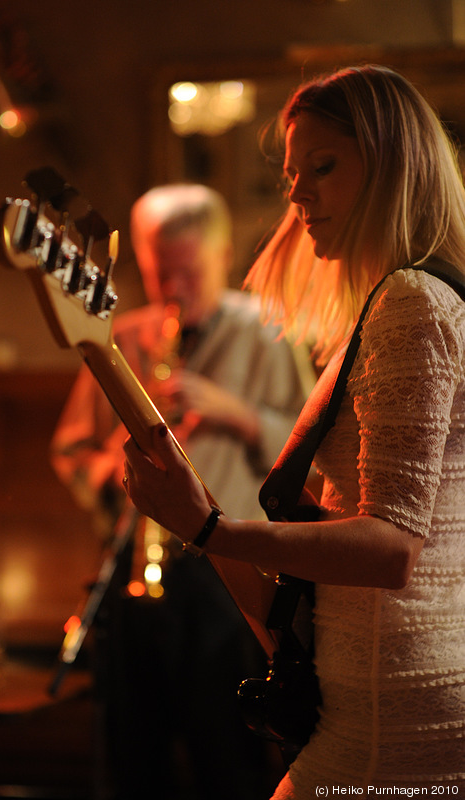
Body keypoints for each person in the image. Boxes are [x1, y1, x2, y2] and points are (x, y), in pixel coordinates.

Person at [122, 65, 465, 798]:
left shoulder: (411, 301)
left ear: (393, 162)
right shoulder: (390, 305)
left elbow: (391, 548)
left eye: (324, 166)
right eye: (291, 174)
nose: (298, 194)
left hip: (394, 706)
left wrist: (211, 529)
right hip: (373, 692)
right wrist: (201, 521)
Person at [51, 183, 310, 799]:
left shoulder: (272, 332)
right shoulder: (123, 338)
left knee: (227, 754)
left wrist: (239, 414)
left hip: (233, 574)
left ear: (221, 257)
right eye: (158, 270)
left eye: (188, 270)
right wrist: (116, 469)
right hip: (142, 573)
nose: (174, 286)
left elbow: (312, 457)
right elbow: (70, 450)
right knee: (133, 752)